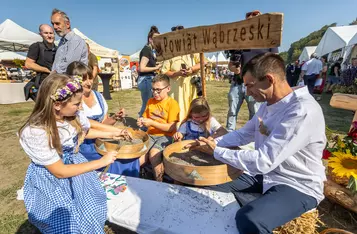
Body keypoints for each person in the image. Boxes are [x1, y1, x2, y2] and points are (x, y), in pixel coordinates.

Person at [187, 53, 326, 234]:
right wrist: (212, 142)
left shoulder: (301, 111)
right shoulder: (269, 104)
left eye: (250, 86)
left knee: (249, 219)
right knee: (207, 185)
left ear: (269, 79)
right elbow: (244, 134)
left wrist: (216, 151)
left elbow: (263, 160)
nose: (247, 92)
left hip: (297, 184)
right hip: (267, 175)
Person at [18, 74, 124, 233]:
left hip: (75, 167)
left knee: (90, 207)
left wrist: (112, 134)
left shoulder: (71, 116)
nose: (81, 107)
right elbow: (59, 171)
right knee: (66, 222)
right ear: (57, 105)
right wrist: (101, 162)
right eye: (76, 103)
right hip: (51, 180)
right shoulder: (36, 132)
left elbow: (80, 133)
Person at [66, 61, 140, 177]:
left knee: (130, 156)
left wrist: (114, 118)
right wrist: (116, 132)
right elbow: (87, 125)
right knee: (117, 161)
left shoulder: (98, 96)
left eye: (90, 78)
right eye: (84, 79)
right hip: (83, 145)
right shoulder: (71, 101)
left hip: (101, 139)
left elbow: (103, 122)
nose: (89, 82)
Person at [226, 10, 279, 131]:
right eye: (248, 19)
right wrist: (234, 69)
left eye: (255, 18)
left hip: (258, 83)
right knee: (232, 112)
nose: (252, 20)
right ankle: (229, 136)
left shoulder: (269, 38)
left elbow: (275, 61)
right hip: (238, 82)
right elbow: (231, 64)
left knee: (256, 113)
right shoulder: (239, 41)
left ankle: (254, 137)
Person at [137, 74, 180, 181]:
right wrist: (141, 121)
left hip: (166, 136)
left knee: (154, 154)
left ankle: (159, 182)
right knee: (139, 157)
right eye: (153, 89)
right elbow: (145, 117)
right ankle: (134, 180)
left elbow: (171, 128)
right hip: (150, 135)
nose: (155, 93)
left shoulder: (172, 104)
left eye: (158, 90)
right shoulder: (150, 101)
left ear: (168, 89)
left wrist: (152, 123)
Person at [162, 25, 204, 122]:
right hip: (176, 88)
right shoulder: (170, 52)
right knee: (178, 109)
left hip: (191, 86)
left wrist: (192, 69)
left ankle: (192, 129)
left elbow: (203, 62)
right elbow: (165, 71)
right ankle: (178, 131)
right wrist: (177, 73)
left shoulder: (193, 50)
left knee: (193, 107)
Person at [24, 24, 56, 100]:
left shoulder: (58, 49)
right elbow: (28, 64)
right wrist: (47, 70)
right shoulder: (37, 46)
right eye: (46, 33)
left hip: (56, 82)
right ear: (41, 34)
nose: (49, 35)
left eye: (51, 33)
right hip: (43, 83)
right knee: (46, 109)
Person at [51, 8, 88, 74]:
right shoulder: (62, 41)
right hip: (60, 80)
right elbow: (57, 63)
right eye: (53, 24)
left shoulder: (75, 40)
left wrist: (53, 75)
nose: (54, 27)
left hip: (69, 82)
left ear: (67, 24)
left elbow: (69, 66)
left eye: (57, 23)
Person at [137, 26, 162, 117]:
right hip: (146, 79)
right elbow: (141, 68)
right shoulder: (147, 50)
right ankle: (142, 125)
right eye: (156, 39)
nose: (159, 41)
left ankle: (145, 123)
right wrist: (156, 68)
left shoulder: (150, 50)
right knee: (147, 104)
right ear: (150, 39)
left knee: (149, 103)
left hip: (147, 79)